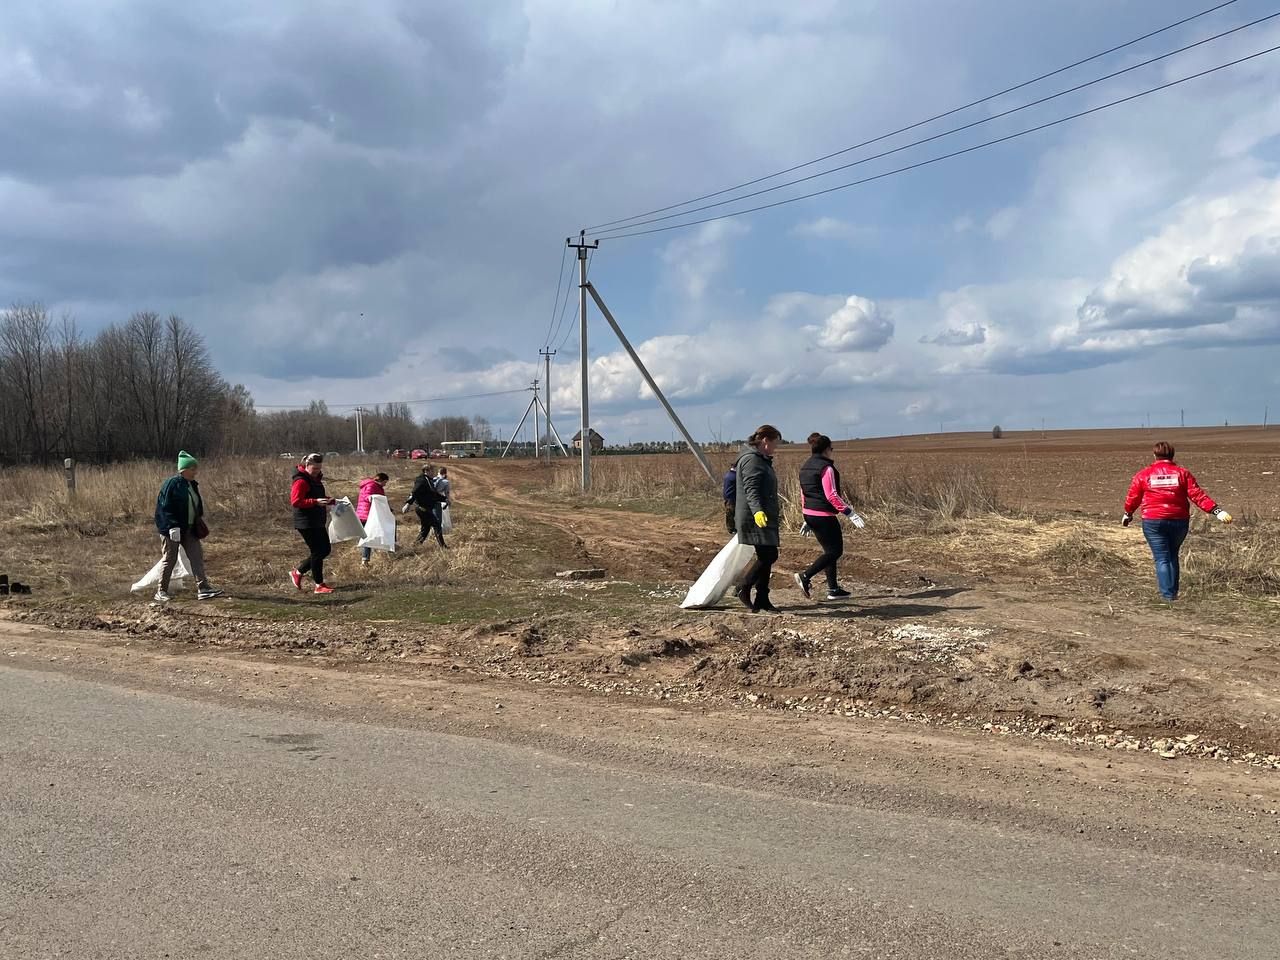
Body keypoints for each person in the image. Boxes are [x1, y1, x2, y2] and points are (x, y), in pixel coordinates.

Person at [1123, 441, 1233, 602]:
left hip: (1153, 522)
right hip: (1179, 521)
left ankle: (1168, 597)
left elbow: (1133, 497)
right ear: (1172, 455)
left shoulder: (1143, 475)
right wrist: (1217, 511)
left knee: (1162, 558)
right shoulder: (1182, 473)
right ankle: (1172, 593)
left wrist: (1128, 513)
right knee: (1172, 555)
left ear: (1154, 456)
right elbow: (1198, 495)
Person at [794, 433, 865, 602]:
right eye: (831, 449)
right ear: (826, 449)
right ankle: (805, 576)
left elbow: (804, 493)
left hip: (810, 513)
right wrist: (850, 513)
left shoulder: (805, 467)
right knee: (835, 551)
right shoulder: (826, 468)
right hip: (824, 515)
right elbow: (831, 495)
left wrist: (807, 517)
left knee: (829, 552)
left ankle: (833, 589)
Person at [152, 450, 222, 603]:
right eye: (193, 468)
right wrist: (172, 526)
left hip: (189, 528)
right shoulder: (172, 484)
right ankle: (161, 591)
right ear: (184, 469)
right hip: (171, 529)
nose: (195, 471)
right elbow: (165, 507)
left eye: (195, 468)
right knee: (169, 558)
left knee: (196, 556)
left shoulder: (192, 485)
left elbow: (194, 504)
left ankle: (203, 588)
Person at [734, 424, 783, 613]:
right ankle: (744, 587)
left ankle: (762, 598)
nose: (776, 448)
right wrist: (757, 512)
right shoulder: (751, 461)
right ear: (765, 441)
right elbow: (751, 489)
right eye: (775, 444)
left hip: (762, 514)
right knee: (769, 555)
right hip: (755, 517)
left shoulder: (760, 459)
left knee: (767, 555)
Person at [289, 453, 337, 594]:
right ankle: (319, 585)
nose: (317, 471)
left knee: (325, 549)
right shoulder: (301, 481)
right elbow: (296, 501)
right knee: (317, 551)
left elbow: (315, 496)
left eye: (319, 468)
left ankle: (298, 572)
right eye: (314, 468)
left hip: (316, 520)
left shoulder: (314, 479)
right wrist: (315, 502)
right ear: (306, 465)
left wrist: (329, 500)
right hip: (306, 521)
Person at [403, 464, 448, 548]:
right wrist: (408, 504)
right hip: (422, 508)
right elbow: (414, 492)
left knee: (426, 528)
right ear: (426, 471)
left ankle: (415, 546)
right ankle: (443, 546)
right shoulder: (421, 480)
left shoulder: (429, 480)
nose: (433, 473)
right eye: (432, 471)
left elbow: (433, 495)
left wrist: (444, 499)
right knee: (437, 524)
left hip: (426, 508)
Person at [357, 472, 389, 566]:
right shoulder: (371, 485)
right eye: (384, 482)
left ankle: (367, 556)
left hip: (367, 514)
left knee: (369, 536)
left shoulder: (375, 486)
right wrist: (372, 498)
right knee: (369, 537)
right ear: (379, 479)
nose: (385, 484)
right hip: (367, 515)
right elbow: (367, 497)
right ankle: (365, 560)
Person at [722, 464, 737, 536]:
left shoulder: (728, 475)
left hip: (728, 497)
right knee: (730, 513)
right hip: (731, 498)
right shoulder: (733, 476)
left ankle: (732, 528)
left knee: (730, 513)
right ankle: (731, 529)